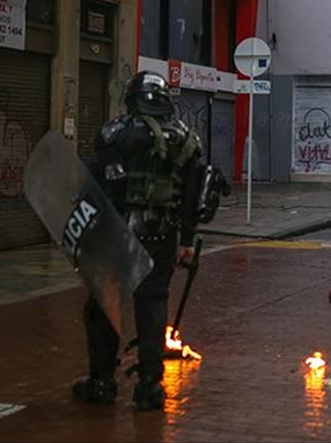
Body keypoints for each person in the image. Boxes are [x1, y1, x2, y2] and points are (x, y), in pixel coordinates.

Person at [71, 71, 203, 411]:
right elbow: (192, 196)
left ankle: (102, 382)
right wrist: (187, 240)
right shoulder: (185, 138)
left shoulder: (115, 133)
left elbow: (94, 187)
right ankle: (149, 386)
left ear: (131, 98)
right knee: (153, 305)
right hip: (163, 235)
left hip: (116, 236)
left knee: (103, 306)